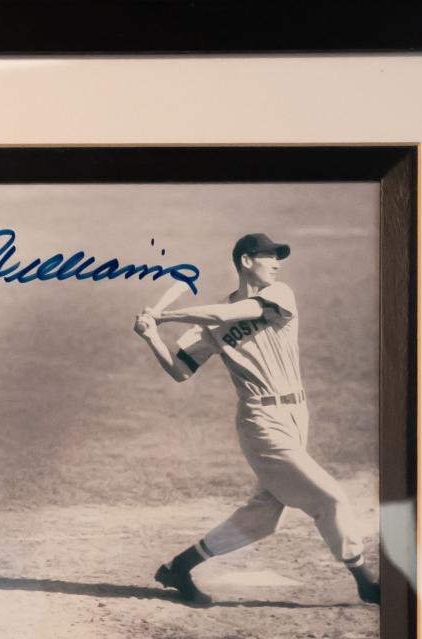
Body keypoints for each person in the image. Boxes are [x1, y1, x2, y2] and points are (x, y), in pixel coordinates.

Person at [133, 233, 380, 606]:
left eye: (279, 257)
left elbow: (232, 313)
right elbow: (181, 371)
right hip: (260, 421)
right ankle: (366, 582)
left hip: (297, 415)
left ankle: (178, 569)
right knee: (330, 498)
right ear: (246, 261)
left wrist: (166, 314)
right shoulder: (209, 326)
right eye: (269, 256)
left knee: (265, 515)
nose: (277, 263)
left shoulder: (280, 295)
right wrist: (153, 336)